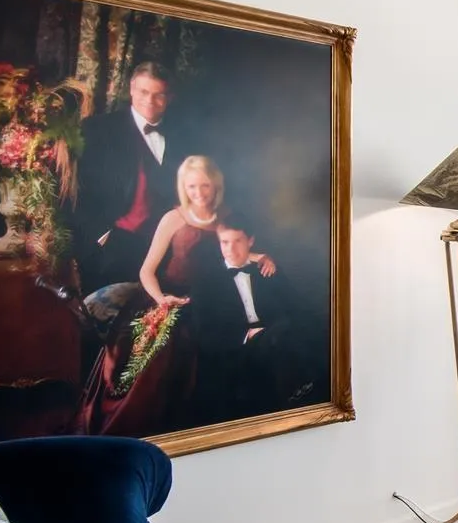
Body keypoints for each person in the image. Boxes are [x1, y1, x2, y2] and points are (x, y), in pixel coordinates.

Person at [80, 155, 266, 436]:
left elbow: (234, 255)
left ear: (216, 186)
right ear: (183, 187)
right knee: (171, 342)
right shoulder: (173, 218)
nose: (199, 193)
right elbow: (147, 271)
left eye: (205, 186)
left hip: (214, 298)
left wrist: (259, 256)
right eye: (192, 187)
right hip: (167, 297)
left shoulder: (228, 217)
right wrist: (161, 300)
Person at [72, 60, 187, 292]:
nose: (150, 101)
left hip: (163, 253)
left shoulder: (185, 135)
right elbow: (78, 188)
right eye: (143, 92)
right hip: (111, 248)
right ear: (131, 88)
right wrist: (101, 235)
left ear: (170, 98)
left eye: (159, 95)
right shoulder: (97, 129)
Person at [191, 209, 312, 422]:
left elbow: (298, 309)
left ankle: (300, 404)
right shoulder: (206, 283)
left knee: (285, 338)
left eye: (237, 241)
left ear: (250, 241)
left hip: (277, 340)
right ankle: (295, 395)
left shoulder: (268, 270)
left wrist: (272, 331)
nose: (230, 249)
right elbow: (204, 335)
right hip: (236, 351)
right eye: (225, 242)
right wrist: (246, 335)